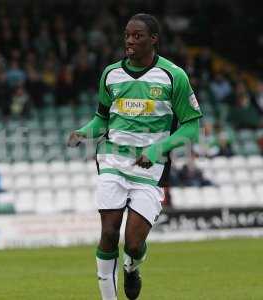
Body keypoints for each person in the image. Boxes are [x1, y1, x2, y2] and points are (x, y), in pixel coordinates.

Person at [67, 14, 202, 300]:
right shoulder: (111, 74)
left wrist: (156, 150)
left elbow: (192, 127)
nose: (130, 41)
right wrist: (83, 132)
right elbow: (101, 120)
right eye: (127, 35)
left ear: (153, 39)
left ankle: (132, 268)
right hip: (112, 161)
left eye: (137, 36)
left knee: (133, 243)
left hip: (151, 170)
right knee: (108, 232)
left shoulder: (173, 76)